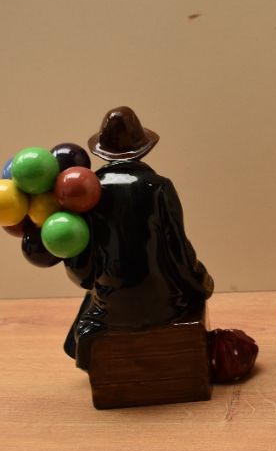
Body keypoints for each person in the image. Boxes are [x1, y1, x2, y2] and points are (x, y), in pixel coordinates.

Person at [63, 107, 216, 371]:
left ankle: (101, 366)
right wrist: (200, 281)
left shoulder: (88, 193)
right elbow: (178, 250)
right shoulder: (159, 187)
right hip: (164, 306)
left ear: (102, 151)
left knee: (92, 300)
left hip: (113, 312)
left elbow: (83, 275)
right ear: (143, 149)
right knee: (189, 298)